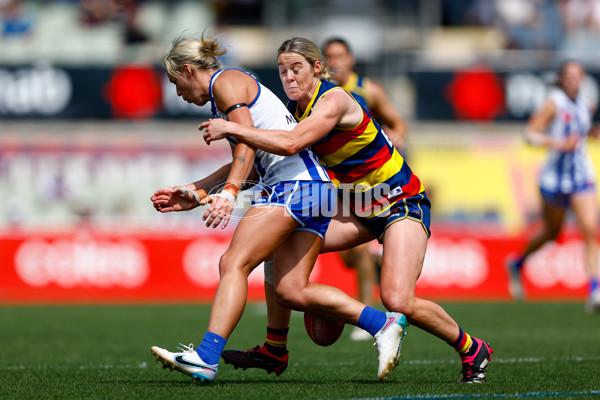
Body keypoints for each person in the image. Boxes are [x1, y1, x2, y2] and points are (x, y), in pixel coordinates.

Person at [201, 37, 494, 383]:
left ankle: (473, 348)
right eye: (282, 71)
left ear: (317, 69)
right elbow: (263, 160)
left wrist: (232, 127)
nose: (289, 78)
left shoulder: (334, 100)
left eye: (296, 69)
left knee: (397, 299)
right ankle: (274, 349)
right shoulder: (293, 112)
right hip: (356, 206)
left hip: (398, 201)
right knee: (276, 243)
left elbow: (291, 143)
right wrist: (199, 190)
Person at [149, 33, 408, 384]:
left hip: (296, 186)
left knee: (233, 262)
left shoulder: (225, 83)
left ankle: (206, 357)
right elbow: (250, 162)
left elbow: (245, 150)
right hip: (313, 189)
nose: (177, 92)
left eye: (175, 82)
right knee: (291, 289)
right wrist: (197, 191)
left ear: (188, 70)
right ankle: (382, 324)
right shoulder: (227, 91)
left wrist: (227, 194)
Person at [322, 37, 409, 341]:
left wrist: (391, 142)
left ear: (351, 59)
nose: (335, 62)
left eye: (339, 56)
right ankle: (385, 264)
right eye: (329, 56)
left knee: (357, 251)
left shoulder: (369, 91)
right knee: (349, 258)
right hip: (334, 181)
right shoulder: (320, 95)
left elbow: (398, 125)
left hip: (368, 182)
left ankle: (367, 315)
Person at [507, 60, 600, 313]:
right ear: (562, 79)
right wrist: (556, 143)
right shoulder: (554, 102)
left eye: (577, 76)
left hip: (581, 175)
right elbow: (529, 133)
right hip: (555, 178)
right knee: (551, 232)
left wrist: (590, 133)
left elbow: (578, 132)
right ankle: (518, 263)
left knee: (591, 232)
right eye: (568, 76)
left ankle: (594, 289)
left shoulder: (586, 104)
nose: (573, 81)